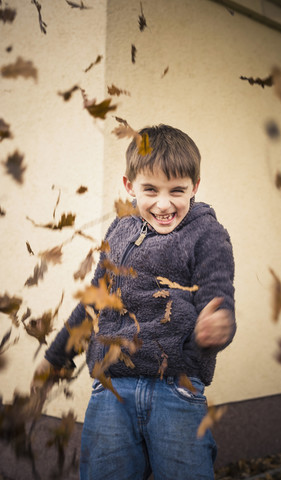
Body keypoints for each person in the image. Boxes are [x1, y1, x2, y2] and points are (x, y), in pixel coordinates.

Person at [33, 124, 236, 480]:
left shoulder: (207, 234)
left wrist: (216, 327)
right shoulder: (121, 228)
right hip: (113, 390)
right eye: (150, 190)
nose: (163, 203)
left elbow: (217, 296)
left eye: (177, 191)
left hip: (176, 388)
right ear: (129, 186)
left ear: (195, 187)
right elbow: (95, 301)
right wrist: (56, 358)